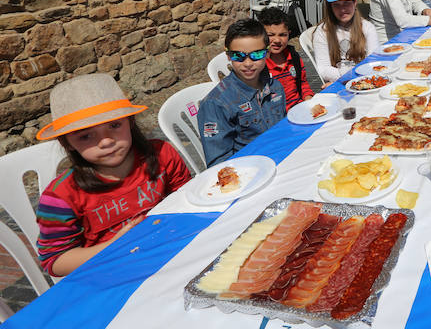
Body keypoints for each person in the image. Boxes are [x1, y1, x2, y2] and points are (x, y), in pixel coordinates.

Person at [34, 73, 192, 277]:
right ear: (67, 143)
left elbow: (187, 198)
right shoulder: (61, 196)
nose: (106, 141)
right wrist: (114, 245)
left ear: (130, 122)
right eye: (85, 135)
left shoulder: (162, 154)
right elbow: (55, 261)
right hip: (113, 271)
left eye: (115, 125)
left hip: (172, 251)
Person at [198, 19, 286, 166]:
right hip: (249, 170)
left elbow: (282, 131)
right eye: (238, 56)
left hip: (282, 156)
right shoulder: (216, 104)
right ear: (227, 55)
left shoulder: (275, 87)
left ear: (267, 52)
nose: (248, 63)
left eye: (256, 55)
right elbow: (219, 163)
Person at [312, 0, 380, 85]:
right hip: (339, 83)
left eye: (346, 3)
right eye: (336, 5)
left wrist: (354, 77)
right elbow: (323, 69)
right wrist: (346, 76)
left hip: (365, 79)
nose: (342, 9)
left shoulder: (367, 27)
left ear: (355, 2)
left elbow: (374, 59)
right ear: (330, 7)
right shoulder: (322, 32)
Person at [258, 7, 314, 110]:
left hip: (300, 109)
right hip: (276, 117)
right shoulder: (259, 66)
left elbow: (303, 83)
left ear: (289, 33)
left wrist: (309, 100)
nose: (277, 40)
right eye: (271, 35)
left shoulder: (293, 57)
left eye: (283, 35)